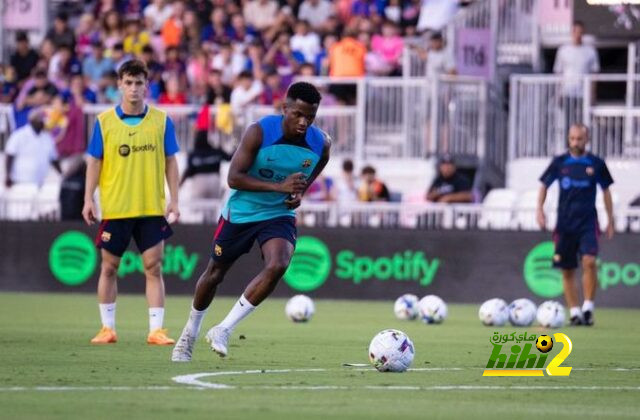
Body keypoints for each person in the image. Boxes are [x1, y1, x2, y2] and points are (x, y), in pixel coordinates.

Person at [171, 82, 331, 361]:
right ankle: (190, 332)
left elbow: (320, 162)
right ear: (285, 109)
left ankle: (224, 329)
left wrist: (300, 191)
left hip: (278, 214)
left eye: (310, 117)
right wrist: (280, 186)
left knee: (279, 263)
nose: (304, 122)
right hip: (241, 213)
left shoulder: (320, 142)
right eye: (298, 115)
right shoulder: (259, 132)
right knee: (215, 274)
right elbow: (234, 177)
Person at [82, 59, 181, 345]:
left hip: (150, 206)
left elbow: (171, 162)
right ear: (119, 85)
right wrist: (89, 198)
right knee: (109, 267)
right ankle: (107, 329)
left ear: (146, 86)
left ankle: (156, 330)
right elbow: (94, 163)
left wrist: (174, 199)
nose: (134, 88)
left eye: (139, 83)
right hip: (116, 207)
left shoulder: (162, 121)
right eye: (128, 82)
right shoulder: (104, 122)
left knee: (154, 267)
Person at [537, 123, 614, 326]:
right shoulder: (559, 162)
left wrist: (610, 219)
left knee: (589, 262)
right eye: (572, 138)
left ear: (586, 139)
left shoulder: (596, 163)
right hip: (564, 224)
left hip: (588, 222)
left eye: (579, 138)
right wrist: (539, 210)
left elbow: (606, 191)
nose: (575, 142)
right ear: (568, 139)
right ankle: (574, 312)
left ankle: (588, 307)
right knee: (567, 269)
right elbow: (544, 185)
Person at [553, 21, 599, 140]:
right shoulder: (563, 50)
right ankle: (568, 149)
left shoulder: (590, 51)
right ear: (572, 32)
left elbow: (594, 75)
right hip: (567, 92)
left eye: (580, 32)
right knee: (568, 123)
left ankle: (583, 148)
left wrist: (592, 95)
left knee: (583, 123)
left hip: (583, 94)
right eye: (575, 31)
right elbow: (558, 73)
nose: (578, 34)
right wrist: (558, 93)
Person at [5, 108, 61, 188]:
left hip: (40, 182)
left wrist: (62, 175)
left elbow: (54, 159)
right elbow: (10, 156)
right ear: (32, 120)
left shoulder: (47, 138)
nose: (43, 122)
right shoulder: (19, 135)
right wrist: (8, 175)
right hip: (20, 181)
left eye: (43, 120)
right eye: (40, 120)